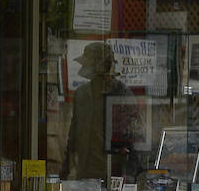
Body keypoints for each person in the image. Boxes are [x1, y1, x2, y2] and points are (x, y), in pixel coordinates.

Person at [62, 40, 145, 180]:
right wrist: (65, 170)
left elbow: (134, 136)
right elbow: (73, 136)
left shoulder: (121, 93)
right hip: (84, 172)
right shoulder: (81, 94)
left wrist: (131, 175)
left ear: (100, 66)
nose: (84, 68)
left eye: (87, 64)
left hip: (112, 173)